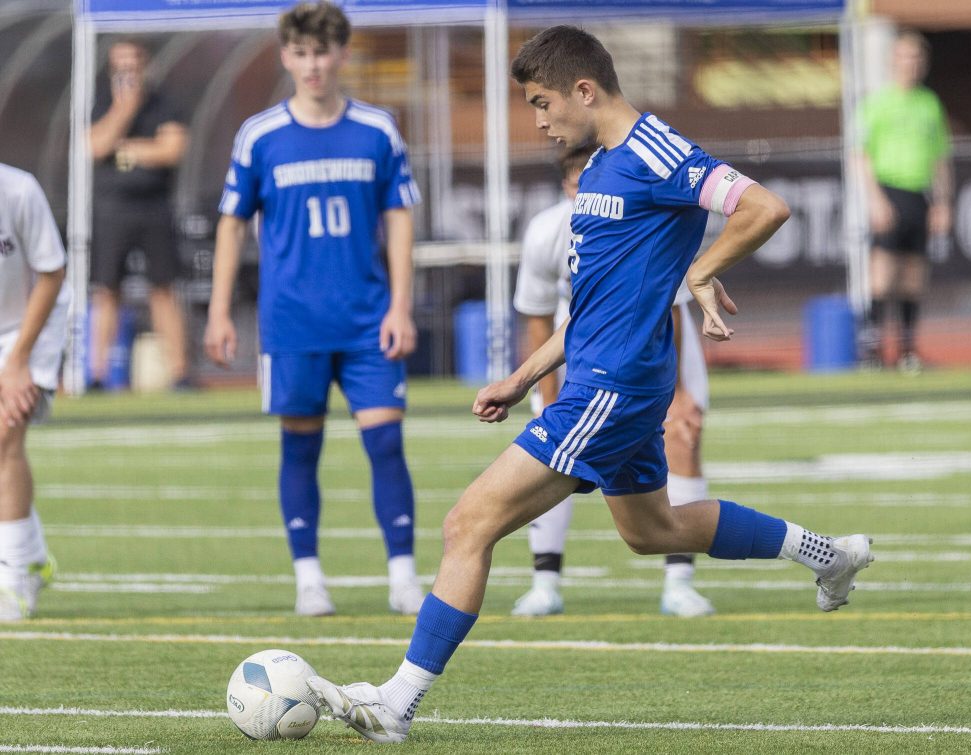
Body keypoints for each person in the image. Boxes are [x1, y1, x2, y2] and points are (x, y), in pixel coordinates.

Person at [306, 26, 874, 743]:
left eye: (543, 103)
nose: (541, 121)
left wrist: (700, 269)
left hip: (612, 387)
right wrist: (521, 376)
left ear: (584, 89)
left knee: (467, 524)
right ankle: (831, 554)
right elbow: (593, 308)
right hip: (610, 379)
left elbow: (764, 207)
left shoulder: (654, 150)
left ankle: (396, 703)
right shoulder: (603, 169)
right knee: (655, 530)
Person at [204, 1, 424, 618]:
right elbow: (231, 224)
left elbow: (400, 216)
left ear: (343, 54)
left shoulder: (378, 130)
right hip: (291, 324)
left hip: (367, 319)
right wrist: (220, 310)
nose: (313, 65)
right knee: (300, 447)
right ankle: (309, 579)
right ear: (285, 56)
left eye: (323, 52)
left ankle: (403, 575)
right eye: (300, 53)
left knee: (385, 442)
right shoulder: (260, 134)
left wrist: (400, 305)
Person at [511, 145, 714, 617]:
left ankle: (679, 581)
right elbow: (540, 315)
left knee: (682, 437)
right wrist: (547, 396)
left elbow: (674, 303)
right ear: (567, 187)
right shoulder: (547, 232)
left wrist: (680, 392)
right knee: (549, 456)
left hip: (651, 347)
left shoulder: (641, 218)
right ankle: (545, 580)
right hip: (577, 353)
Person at [89, 37, 192, 390]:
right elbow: (97, 145)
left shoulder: (166, 103)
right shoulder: (100, 102)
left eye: (133, 63)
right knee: (106, 291)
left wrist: (127, 148)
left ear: (145, 64)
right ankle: (98, 375)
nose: (128, 71)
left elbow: (172, 150)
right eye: (121, 65)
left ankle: (179, 373)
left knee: (163, 289)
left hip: (155, 207)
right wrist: (124, 109)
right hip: (111, 210)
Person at [857, 28, 952, 373]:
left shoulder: (930, 104)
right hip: (889, 189)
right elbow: (862, 155)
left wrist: (942, 202)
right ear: (892, 61)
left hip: (919, 194)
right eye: (904, 57)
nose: (910, 64)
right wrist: (875, 201)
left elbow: (941, 157)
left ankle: (908, 351)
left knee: (914, 276)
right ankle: (872, 351)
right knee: (883, 274)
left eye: (916, 58)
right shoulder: (878, 102)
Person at [0, 163, 66, 621]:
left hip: (27, 328)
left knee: (4, 433)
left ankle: (16, 574)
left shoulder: (18, 189)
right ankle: (34, 551)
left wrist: (18, 359)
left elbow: (51, 272)